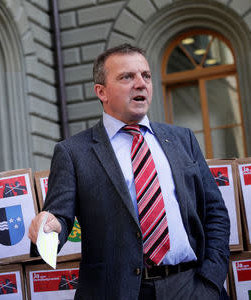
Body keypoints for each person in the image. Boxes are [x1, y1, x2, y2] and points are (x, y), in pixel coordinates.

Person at [28, 44, 230, 299]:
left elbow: (215, 212)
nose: (140, 84)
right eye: (127, 77)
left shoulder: (183, 139)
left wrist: (210, 282)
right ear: (101, 92)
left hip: (190, 287)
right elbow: (60, 218)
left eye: (145, 76)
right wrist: (49, 227)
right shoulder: (73, 152)